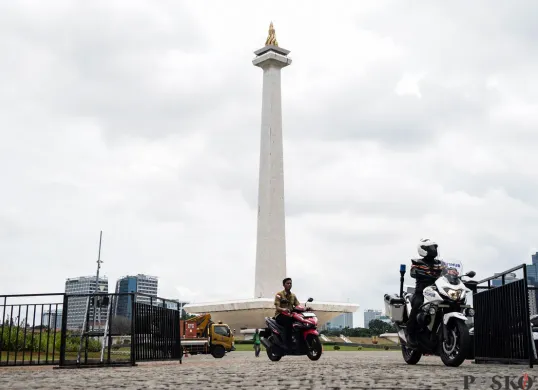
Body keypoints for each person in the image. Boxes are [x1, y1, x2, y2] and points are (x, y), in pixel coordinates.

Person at [406, 238, 443, 348]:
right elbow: (413, 272)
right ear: (423, 249)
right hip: (421, 292)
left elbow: (447, 271)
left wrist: (455, 275)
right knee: (418, 304)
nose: (434, 250)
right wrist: (420, 272)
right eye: (431, 248)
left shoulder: (439, 263)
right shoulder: (417, 262)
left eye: (434, 247)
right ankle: (410, 333)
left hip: (436, 291)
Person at [274, 277, 300, 349]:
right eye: (287, 283)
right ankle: (287, 344)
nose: (289, 284)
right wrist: (283, 309)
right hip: (280, 315)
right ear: (284, 285)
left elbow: (298, 305)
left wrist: (306, 308)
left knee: (300, 322)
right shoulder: (279, 294)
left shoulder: (293, 296)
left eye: (290, 283)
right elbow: (277, 307)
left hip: (290, 315)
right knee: (288, 322)